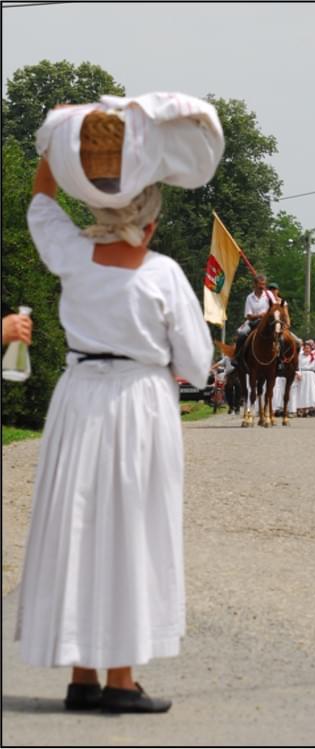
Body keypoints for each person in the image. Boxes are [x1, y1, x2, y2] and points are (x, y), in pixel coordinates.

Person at [15, 155, 213, 714]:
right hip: (138, 404)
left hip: (78, 398)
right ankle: (121, 680)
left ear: (99, 214)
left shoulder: (72, 255)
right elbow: (197, 367)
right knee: (132, 527)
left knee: (79, 525)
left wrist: (53, 151)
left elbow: (42, 204)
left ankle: (82, 674)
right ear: (148, 221)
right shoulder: (162, 275)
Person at [232, 274, 275, 370]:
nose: (262, 287)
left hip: (267, 323)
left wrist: (269, 314)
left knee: (280, 336)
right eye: (260, 285)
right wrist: (260, 315)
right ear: (255, 285)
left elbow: (275, 308)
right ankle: (237, 358)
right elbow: (249, 316)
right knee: (242, 334)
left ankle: (280, 360)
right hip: (253, 322)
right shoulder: (249, 297)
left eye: (264, 285)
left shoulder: (269, 295)